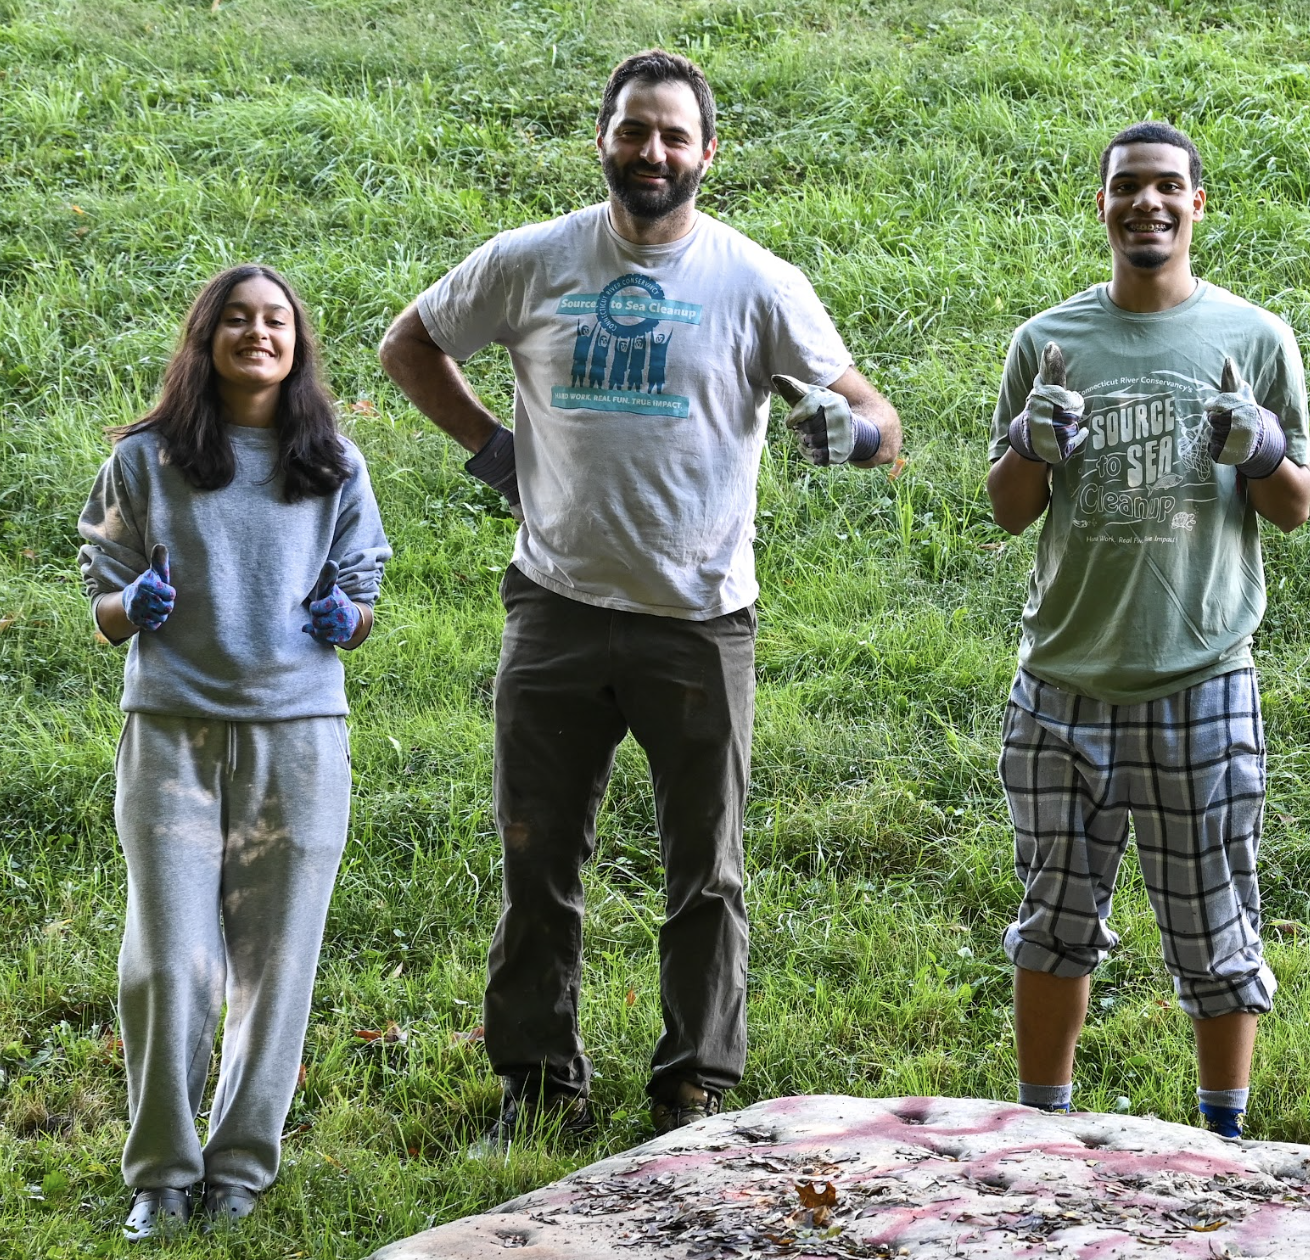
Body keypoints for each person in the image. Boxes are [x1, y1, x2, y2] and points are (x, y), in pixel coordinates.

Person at [377, 48, 901, 1149]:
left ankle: (691, 1093)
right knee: (537, 859)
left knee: (705, 872)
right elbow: (409, 342)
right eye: (633, 129)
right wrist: (492, 451)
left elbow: (875, 418)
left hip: (700, 621)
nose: (651, 150)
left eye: (673, 134)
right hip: (555, 607)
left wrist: (845, 435)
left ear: (707, 153)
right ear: (601, 139)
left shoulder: (755, 280)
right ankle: (535, 1089)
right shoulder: (532, 261)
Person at [984, 121, 1310, 1140]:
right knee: (1052, 928)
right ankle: (1044, 1138)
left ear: (1197, 203)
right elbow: (1005, 508)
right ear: (1101, 205)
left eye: (1167, 186)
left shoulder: (1253, 340)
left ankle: (1222, 1146)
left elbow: (1294, 506)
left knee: (1214, 929)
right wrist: (1034, 446)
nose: (1147, 203)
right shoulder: (1048, 341)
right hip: (1062, 682)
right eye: (1127, 187)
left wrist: (1259, 448)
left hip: (1200, 681)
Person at [80, 264, 392, 1239]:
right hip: (171, 734)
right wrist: (134, 607)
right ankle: (163, 1177)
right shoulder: (144, 459)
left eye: (277, 322)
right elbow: (103, 599)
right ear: (206, 338)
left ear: (296, 344)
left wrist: (347, 616)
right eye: (239, 321)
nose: (259, 335)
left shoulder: (332, 459)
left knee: (276, 965)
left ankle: (240, 1170)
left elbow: (363, 597)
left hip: (299, 739)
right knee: (170, 963)